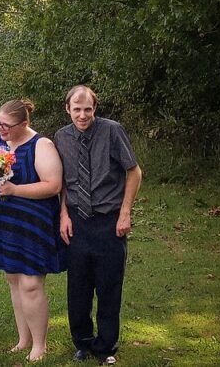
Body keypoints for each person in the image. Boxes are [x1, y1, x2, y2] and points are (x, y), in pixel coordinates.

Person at [54, 85, 142, 365]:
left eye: (87, 109)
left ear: (95, 108)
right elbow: (63, 181)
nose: (82, 115)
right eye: (77, 109)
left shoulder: (112, 131)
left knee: (108, 286)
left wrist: (125, 213)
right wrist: (64, 214)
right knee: (78, 287)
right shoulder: (61, 137)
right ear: (68, 109)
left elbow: (134, 171)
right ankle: (81, 342)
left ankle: (106, 346)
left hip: (108, 221)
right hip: (77, 222)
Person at [0, 99, 66, 362]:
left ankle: (39, 345)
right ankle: (23, 339)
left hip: (32, 223)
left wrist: (16, 190)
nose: (1, 128)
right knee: (14, 280)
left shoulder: (42, 145)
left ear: (24, 123)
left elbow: (53, 185)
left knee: (30, 283)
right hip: (4, 221)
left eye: (6, 125)